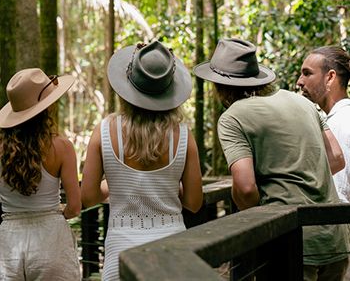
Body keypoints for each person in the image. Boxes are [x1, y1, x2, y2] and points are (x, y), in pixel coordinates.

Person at [193, 38, 349, 281]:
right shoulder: (302, 102)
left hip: (289, 242)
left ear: (219, 86)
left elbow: (245, 189)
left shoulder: (232, 117)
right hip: (334, 239)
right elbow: (337, 158)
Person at [81, 40, 203, 281]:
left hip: (121, 254)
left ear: (127, 86)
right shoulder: (183, 136)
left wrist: (116, 186)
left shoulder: (104, 131)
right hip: (173, 251)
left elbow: (88, 197)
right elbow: (194, 202)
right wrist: (163, 187)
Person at [0, 68, 81, 281]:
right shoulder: (61, 147)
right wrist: (54, 215)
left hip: (9, 242)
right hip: (50, 239)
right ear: (48, 106)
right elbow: (74, 207)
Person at [297, 46, 350, 203]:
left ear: (330, 77)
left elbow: (339, 196)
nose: (299, 82)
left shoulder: (339, 124)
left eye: (307, 73)